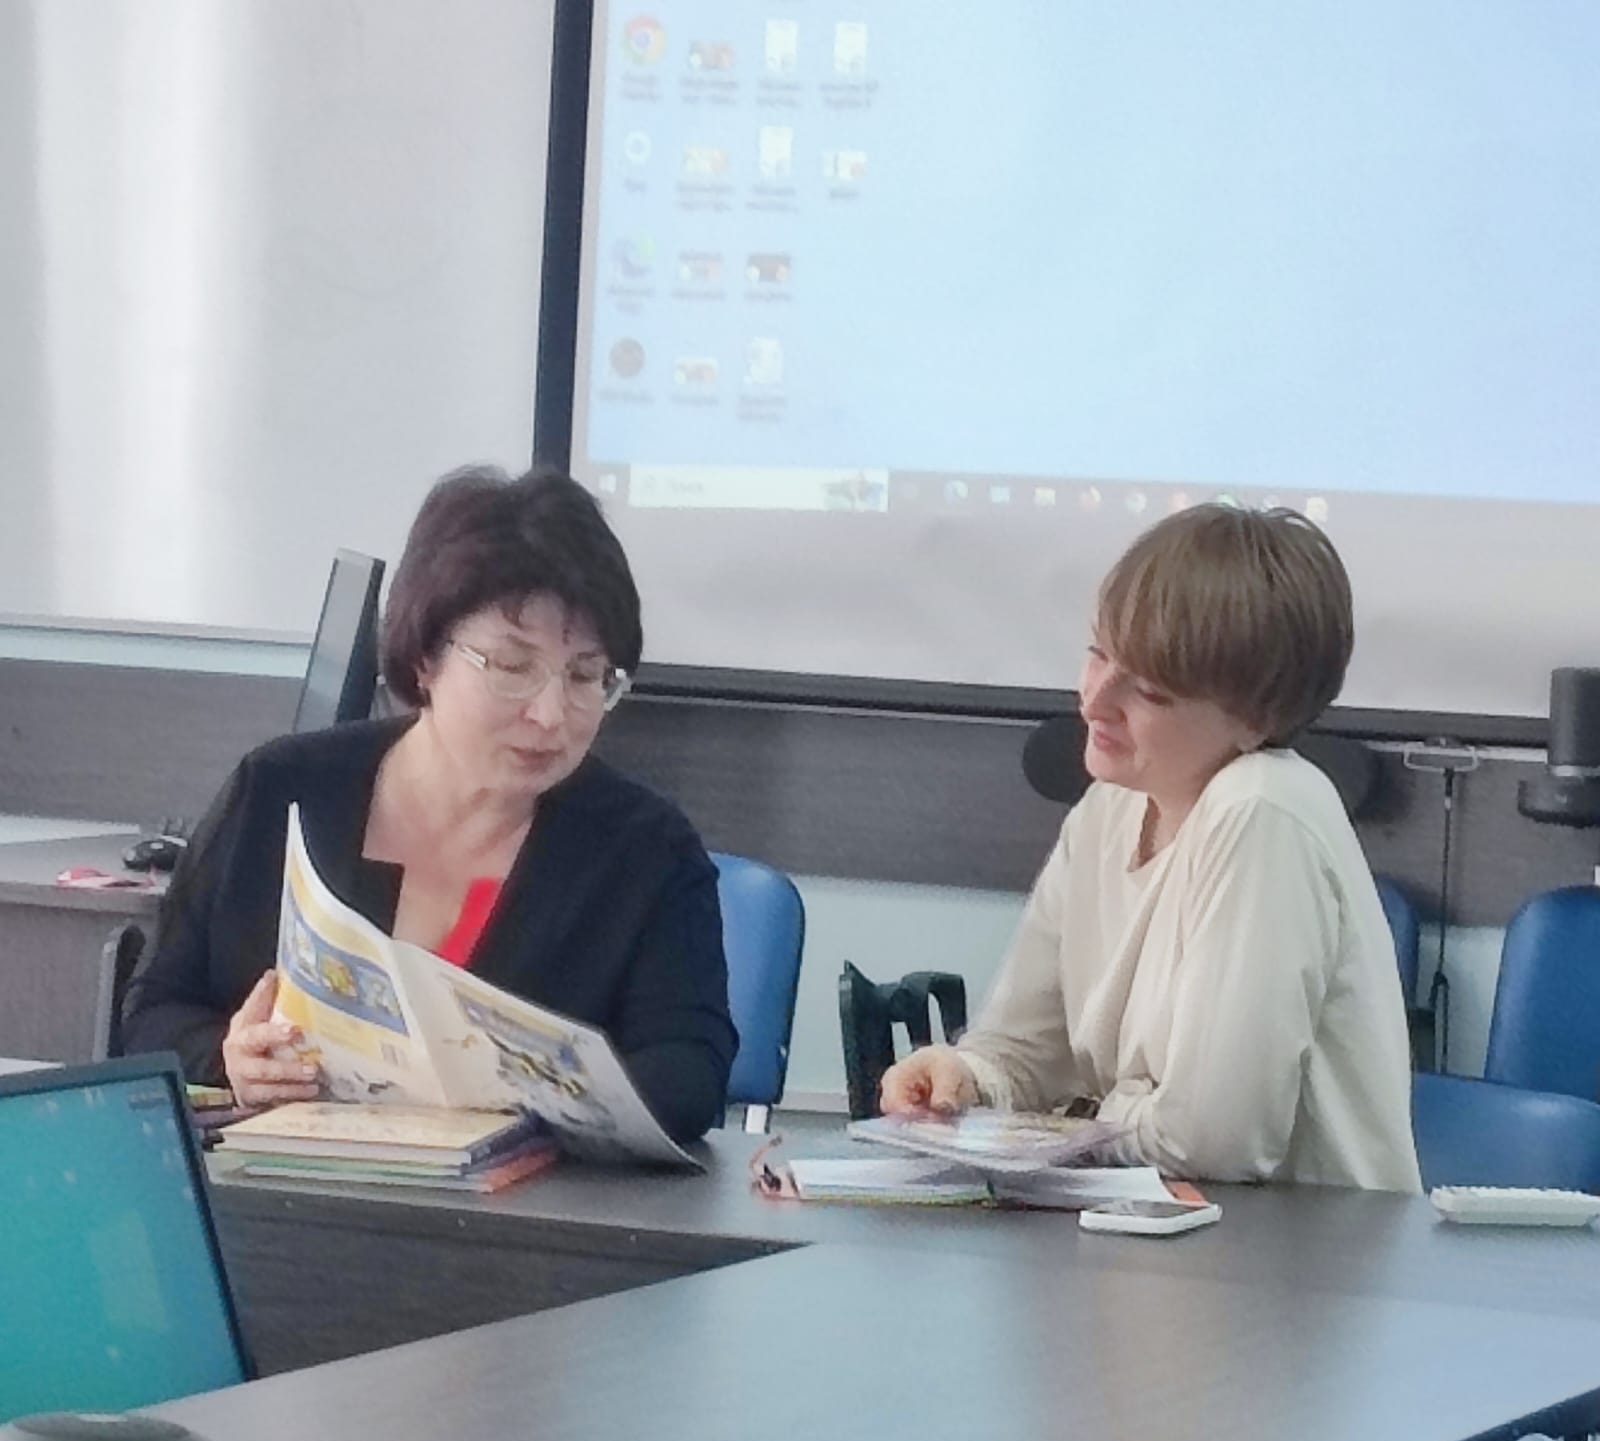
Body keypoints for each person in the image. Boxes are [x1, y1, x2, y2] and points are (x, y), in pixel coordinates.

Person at [123, 466, 736, 1145]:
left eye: (585, 675)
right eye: (513, 667)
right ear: (425, 659)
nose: (550, 713)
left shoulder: (645, 849)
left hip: (521, 1204)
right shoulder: (281, 790)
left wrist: (524, 1093)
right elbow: (152, 1016)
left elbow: (692, 1074)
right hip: (282, 1192)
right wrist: (230, 1058)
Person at [879, 504, 1421, 1192]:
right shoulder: (1110, 806)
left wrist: (1083, 1116)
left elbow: (1213, 1141)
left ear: (1257, 718)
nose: (1094, 702)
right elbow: (1024, 1051)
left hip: (1299, 1248)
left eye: (1150, 690)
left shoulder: (1262, 808)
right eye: (1099, 654)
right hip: (1169, 1232)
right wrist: (966, 1077)